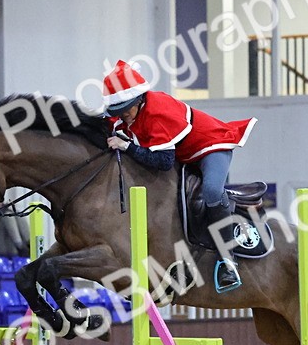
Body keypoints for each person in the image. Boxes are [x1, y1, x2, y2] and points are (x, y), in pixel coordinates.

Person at [101, 60, 256, 292]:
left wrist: (127, 147)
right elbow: (107, 123)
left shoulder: (158, 112)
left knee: (212, 191)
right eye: (120, 113)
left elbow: (163, 162)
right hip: (182, 154)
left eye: (127, 111)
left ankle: (228, 261)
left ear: (139, 99)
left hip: (209, 147)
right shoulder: (128, 111)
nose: (125, 117)